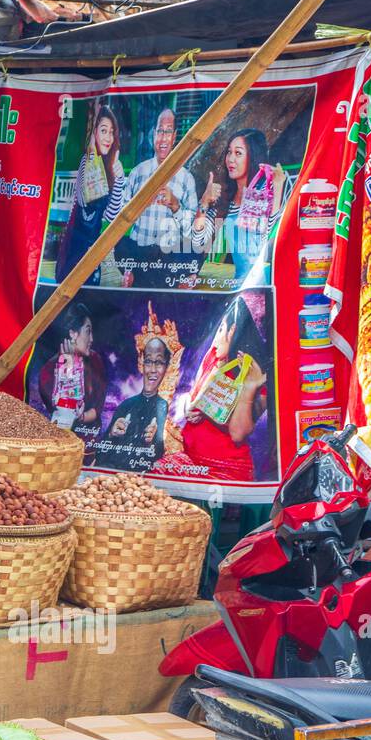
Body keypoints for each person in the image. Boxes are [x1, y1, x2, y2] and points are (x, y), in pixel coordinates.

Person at [156, 296, 268, 482]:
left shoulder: (256, 374)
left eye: (221, 330)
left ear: (233, 330)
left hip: (224, 469)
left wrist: (249, 387)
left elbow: (238, 433)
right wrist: (190, 407)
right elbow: (190, 396)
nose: (214, 341)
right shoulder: (213, 356)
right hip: (191, 460)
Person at [104, 108, 199, 288]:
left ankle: (184, 279)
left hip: (169, 258)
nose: (163, 138)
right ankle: (129, 272)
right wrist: (138, 205)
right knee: (121, 243)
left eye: (168, 131)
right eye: (160, 131)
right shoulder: (138, 172)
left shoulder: (186, 178)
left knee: (197, 246)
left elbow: (192, 230)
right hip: (140, 256)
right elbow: (118, 219)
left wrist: (175, 206)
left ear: (175, 136)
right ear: (153, 134)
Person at [191, 128, 287, 286]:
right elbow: (198, 241)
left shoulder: (264, 195)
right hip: (233, 288)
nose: (230, 159)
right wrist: (204, 203)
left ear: (253, 157)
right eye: (229, 152)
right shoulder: (223, 200)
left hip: (262, 286)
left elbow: (269, 241)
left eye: (238, 153)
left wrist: (277, 190)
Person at [55, 103, 123, 285]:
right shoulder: (86, 161)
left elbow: (111, 215)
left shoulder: (113, 166)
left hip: (94, 253)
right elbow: (87, 201)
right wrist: (93, 152)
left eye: (111, 132)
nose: (108, 137)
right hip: (75, 248)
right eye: (103, 131)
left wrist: (119, 179)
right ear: (94, 134)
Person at [96, 337, 171, 471]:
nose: (152, 369)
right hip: (111, 480)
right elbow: (100, 455)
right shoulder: (126, 405)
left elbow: (161, 461)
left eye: (159, 362)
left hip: (143, 483)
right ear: (142, 364)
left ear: (167, 367)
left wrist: (151, 443)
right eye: (148, 361)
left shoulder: (169, 409)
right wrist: (112, 435)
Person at [37, 302, 107, 445]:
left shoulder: (95, 361)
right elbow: (62, 412)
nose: (92, 339)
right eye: (88, 331)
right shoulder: (48, 371)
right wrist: (68, 368)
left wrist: (82, 417)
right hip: (63, 445)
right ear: (73, 334)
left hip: (92, 444)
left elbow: (98, 407)